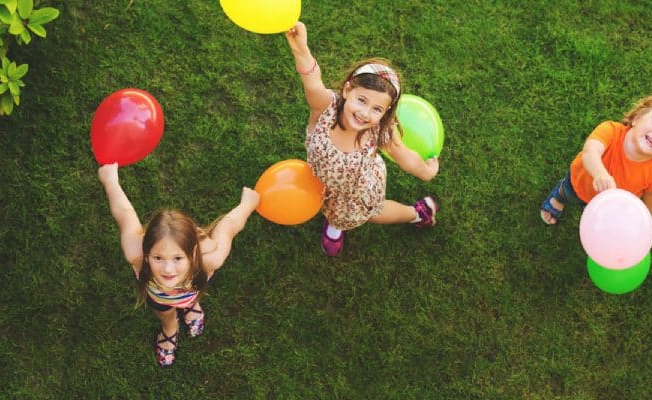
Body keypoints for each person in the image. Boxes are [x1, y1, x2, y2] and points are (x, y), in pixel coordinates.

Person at [285, 21, 440, 257]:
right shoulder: (324, 108)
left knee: (372, 213)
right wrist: (301, 50)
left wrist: (426, 172)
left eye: (377, 109)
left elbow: (405, 157)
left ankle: (418, 213)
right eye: (362, 100)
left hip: (355, 192)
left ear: (386, 113)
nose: (366, 113)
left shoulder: (380, 132)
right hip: (320, 178)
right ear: (347, 90)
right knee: (328, 200)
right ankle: (335, 219)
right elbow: (312, 79)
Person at [98, 163, 259, 367]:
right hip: (159, 298)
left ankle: (190, 305)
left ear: (193, 254)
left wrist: (247, 204)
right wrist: (110, 181)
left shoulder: (210, 259)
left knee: (191, 297)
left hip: (193, 289)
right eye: (158, 258)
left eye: (177, 258)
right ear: (146, 254)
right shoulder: (135, 253)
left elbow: (228, 228)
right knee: (165, 312)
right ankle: (170, 329)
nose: (167, 270)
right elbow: (124, 214)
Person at [541, 94, 652, 224]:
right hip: (579, 182)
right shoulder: (610, 131)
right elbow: (590, 151)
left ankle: (589, 209)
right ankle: (559, 197)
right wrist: (600, 174)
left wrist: (644, 217)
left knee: (595, 213)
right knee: (568, 193)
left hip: (609, 204)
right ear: (637, 118)